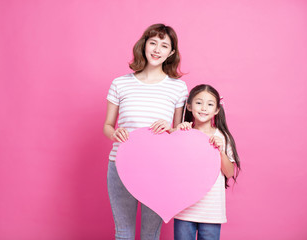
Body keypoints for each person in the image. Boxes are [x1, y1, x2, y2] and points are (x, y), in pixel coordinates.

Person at [103, 23, 188, 240]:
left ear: (171, 53)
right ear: (144, 45)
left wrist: (169, 129)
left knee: (151, 234)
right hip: (120, 165)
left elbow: (178, 131)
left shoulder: (178, 87)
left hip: (159, 167)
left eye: (164, 45)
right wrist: (114, 133)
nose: (157, 49)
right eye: (153, 43)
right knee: (123, 233)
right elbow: (107, 125)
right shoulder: (120, 83)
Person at [174, 84, 241, 240]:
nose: (204, 108)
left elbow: (229, 172)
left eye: (210, 104)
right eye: (199, 103)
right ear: (189, 106)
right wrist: (177, 134)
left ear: (217, 110)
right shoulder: (183, 133)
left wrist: (221, 151)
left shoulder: (222, 137)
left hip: (211, 209)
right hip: (184, 207)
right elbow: (172, 167)